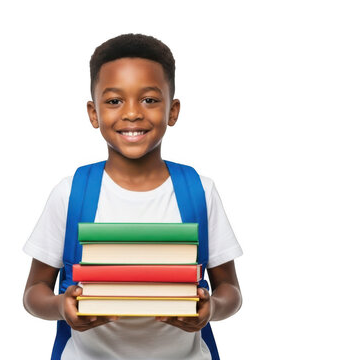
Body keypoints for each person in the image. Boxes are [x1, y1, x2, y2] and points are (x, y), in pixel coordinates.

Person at [23, 33, 243, 359]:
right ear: (93, 113)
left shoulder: (199, 191)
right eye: (114, 101)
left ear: (173, 110)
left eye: (149, 100)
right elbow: (33, 293)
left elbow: (231, 292)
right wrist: (61, 306)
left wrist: (211, 308)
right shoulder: (71, 193)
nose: (132, 114)